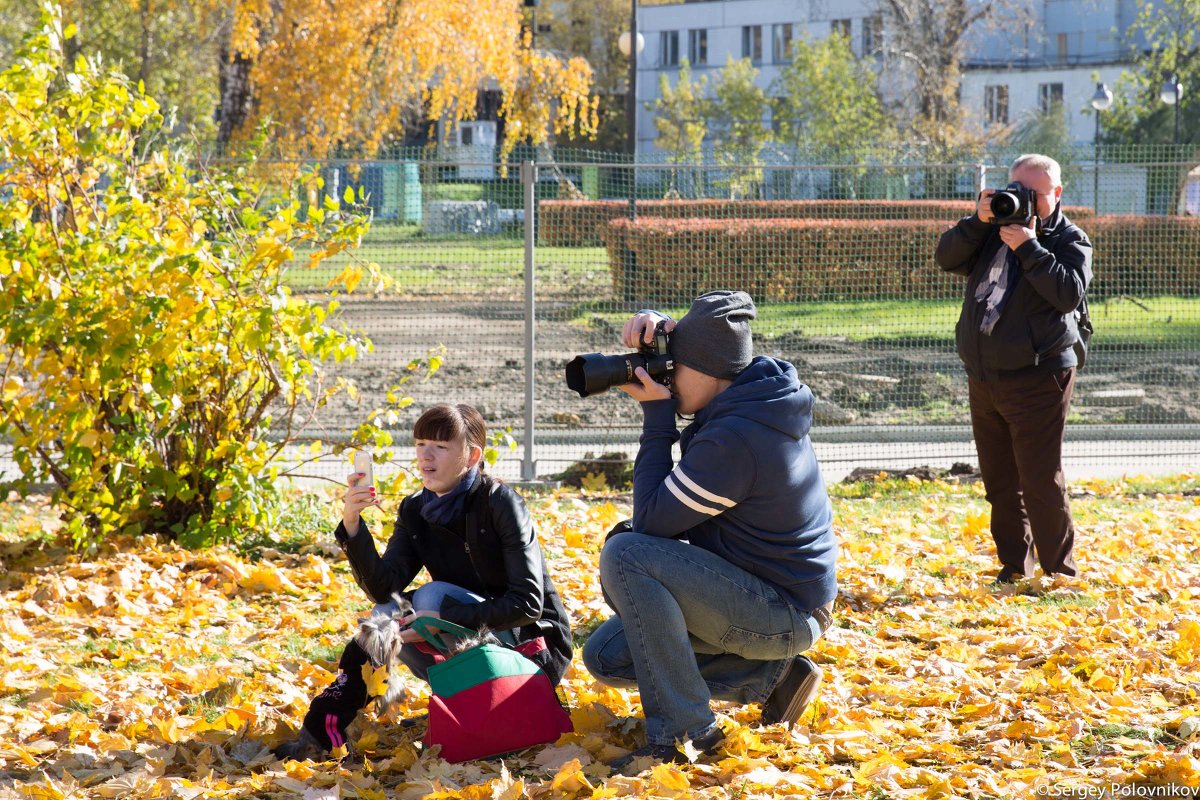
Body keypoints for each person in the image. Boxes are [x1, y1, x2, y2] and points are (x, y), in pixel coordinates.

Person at [581, 290, 838, 770]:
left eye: (671, 367)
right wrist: (663, 327)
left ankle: (686, 732)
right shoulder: (750, 397)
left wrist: (657, 419)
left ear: (707, 371)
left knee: (628, 553)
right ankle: (771, 678)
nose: (665, 377)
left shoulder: (737, 438)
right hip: (771, 598)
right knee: (606, 656)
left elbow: (653, 521)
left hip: (784, 611)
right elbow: (714, 343)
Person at [273, 403, 572, 759]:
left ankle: (478, 699)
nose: (425, 456)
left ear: (472, 455)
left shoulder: (500, 503)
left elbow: (527, 604)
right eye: (419, 444)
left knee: (430, 599)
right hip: (471, 634)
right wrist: (352, 522)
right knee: (384, 614)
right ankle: (322, 731)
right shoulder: (416, 508)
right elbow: (386, 587)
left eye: (441, 447)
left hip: (533, 648)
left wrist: (439, 621)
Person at [935, 153, 1093, 583]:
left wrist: (1029, 246)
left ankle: (1060, 573)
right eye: (1017, 189)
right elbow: (946, 257)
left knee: (1040, 480)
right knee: (1000, 483)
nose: (1022, 199)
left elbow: (1066, 294)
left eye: (1034, 193)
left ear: (1056, 194)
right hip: (984, 374)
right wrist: (976, 220)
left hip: (1040, 374)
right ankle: (1014, 570)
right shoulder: (989, 231)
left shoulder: (1070, 239)